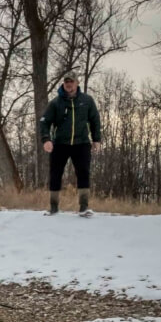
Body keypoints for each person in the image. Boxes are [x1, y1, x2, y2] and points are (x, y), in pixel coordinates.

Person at [39, 71, 102, 216]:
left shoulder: (87, 100)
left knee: (83, 173)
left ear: (77, 83)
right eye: (66, 82)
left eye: (71, 81)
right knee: (55, 174)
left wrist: (96, 139)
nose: (69, 84)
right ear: (64, 84)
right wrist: (46, 139)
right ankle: (53, 207)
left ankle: (84, 207)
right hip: (60, 144)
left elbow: (95, 120)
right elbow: (44, 122)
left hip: (82, 143)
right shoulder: (55, 103)